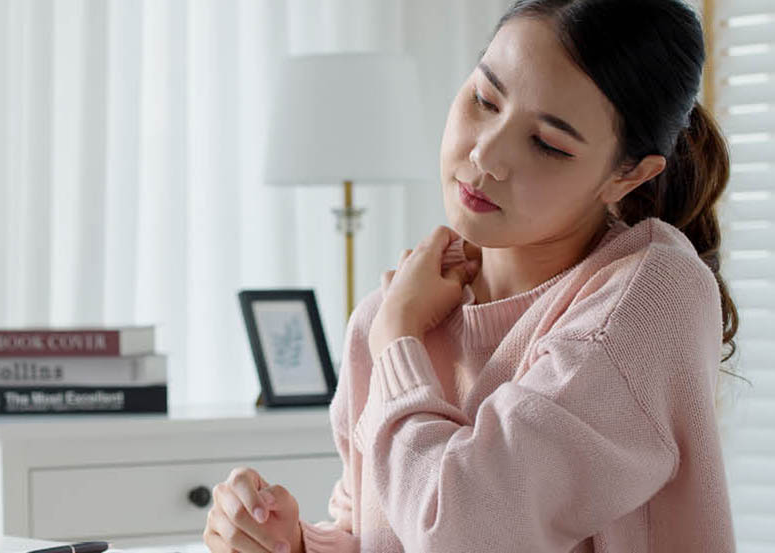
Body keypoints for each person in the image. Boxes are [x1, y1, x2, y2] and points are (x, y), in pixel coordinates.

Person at [203, 0, 744, 551]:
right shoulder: (391, 314)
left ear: (628, 176)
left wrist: (397, 341)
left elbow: (459, 532)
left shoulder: (650, 293)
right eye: (485, 99)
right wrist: (290, 543)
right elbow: (379, 534)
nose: (486, 155)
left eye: (548, 144)